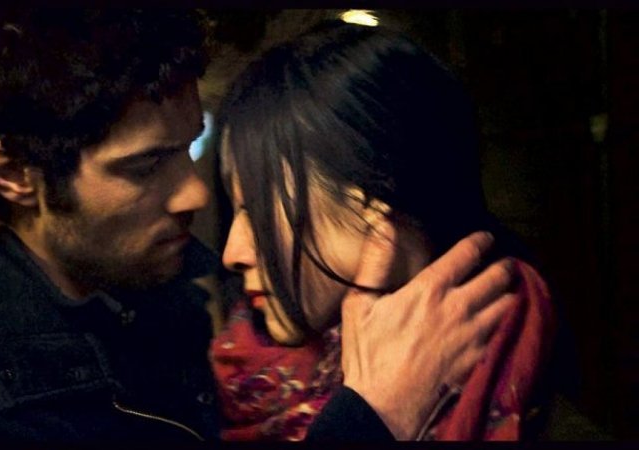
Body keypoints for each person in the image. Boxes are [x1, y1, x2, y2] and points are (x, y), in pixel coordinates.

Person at [0, 11, 515, 441]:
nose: (193, 192)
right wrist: (368, 422)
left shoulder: (155, 295)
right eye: (145, 165)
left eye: (189, 149)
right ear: (14, 172)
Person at [213, 21, 557, 441]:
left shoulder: (537, 397)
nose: (232, 253)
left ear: (376, 206)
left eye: (258, 209)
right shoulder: (235, 374)